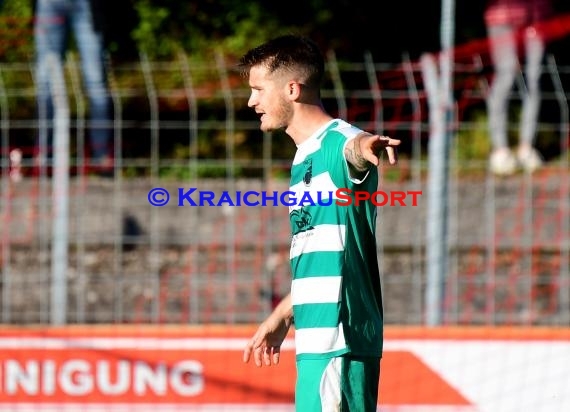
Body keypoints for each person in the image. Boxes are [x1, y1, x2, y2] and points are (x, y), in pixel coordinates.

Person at [239, 35, 401, 411]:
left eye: (258, 90)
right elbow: (325, 255)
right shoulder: (304, 156)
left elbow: (354, 150)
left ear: (292, 89)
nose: (252, 101)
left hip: (338, 338)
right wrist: (284, 312)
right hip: (318, 339)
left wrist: (366, 147)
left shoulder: (336, 141)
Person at [34, 0, 112, 174]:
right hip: (49, 4)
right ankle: (43, 156)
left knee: (96, 81)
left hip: (87, 5)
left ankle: (102, 156)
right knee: (45, 82)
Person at [485, 0, 553, 175]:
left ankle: (526, 148)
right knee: (505, 77)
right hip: (502, 17)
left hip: (537, 16)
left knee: (534, 80)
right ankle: (500, 150)